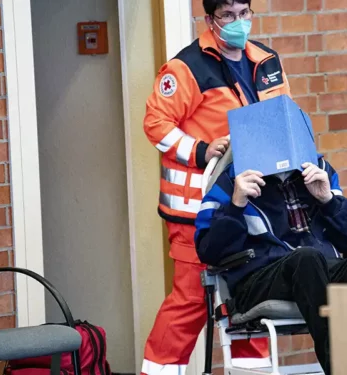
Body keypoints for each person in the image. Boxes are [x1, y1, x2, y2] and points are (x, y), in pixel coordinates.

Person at [140, 0, 293, 373]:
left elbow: (282, 118)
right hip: (195, 210)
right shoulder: (186, 67)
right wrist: (202, 149)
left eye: (244, 13)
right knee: (192, 300)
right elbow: (155, 124)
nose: (238, 22)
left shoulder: (266, 60)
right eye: (227, 15)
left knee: (249, 296)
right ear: (210, 20)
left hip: (250, 206)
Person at [195, 159, 347, 375]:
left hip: (320, 268)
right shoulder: (232, 177)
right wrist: (236, 205)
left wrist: (327, 200)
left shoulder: (317, 167)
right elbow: (209, 251)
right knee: (306, 258)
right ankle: (340, 369)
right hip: (260, 277)